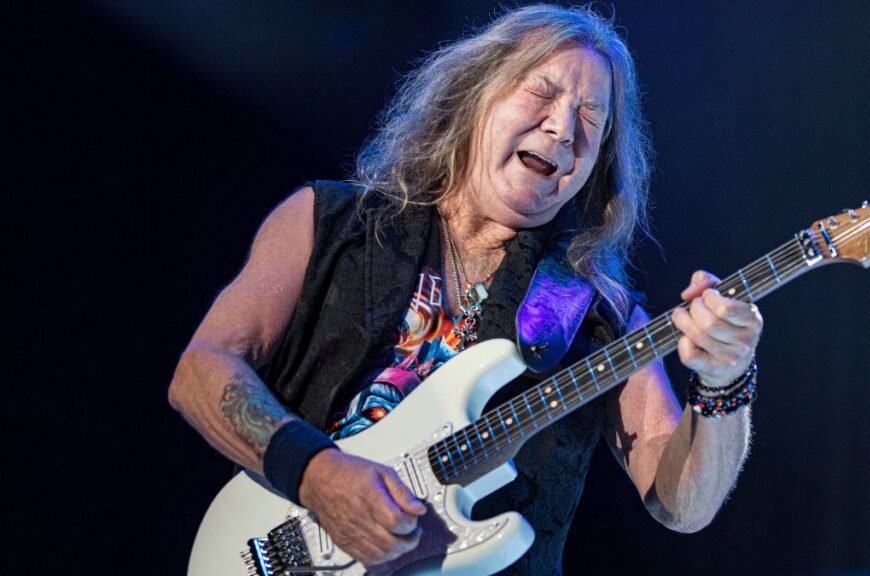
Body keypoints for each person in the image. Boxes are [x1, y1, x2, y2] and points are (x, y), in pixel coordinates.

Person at [169, 5, 763, 574]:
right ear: (476, 96)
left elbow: (682, 504)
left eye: (590, 118)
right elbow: (202, 369)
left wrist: (726, 379)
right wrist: (316, 473)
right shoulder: (328, 222)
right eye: (542, 92)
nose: (562, 129)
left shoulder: (599, 315)